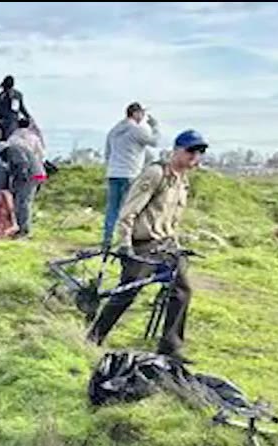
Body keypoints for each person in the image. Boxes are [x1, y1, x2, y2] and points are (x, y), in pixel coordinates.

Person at [88, 130, 208, 362]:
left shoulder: (182, 181)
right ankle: (94, 337)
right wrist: (124, 245)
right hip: (142, 244)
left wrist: (176, 243)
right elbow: (128, 212)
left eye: (200, 152)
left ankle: (170, 348)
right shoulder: (156, 174)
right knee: (127, 292)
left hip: (166, 244)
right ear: (177, 150)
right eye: (191, 150)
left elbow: (171, 219)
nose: (196, 156)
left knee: (182, 291)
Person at [103, 102, 161, 246]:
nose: (143, 116)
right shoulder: (136, 130)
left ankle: (107, 238)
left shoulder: (114, 131)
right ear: (135, 113)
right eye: (141, 113)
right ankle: (125, 240)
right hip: (130, 173)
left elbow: (107, 153)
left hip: (113, 173)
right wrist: (155, 126)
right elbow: (155, 142)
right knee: (129, 209)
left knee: (112, 208)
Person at [1, 142, 40, 237]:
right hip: (37, 174)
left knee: (23, 203)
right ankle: (20, 227)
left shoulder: (12, 150)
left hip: (31, 176)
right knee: (20, 202)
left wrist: (20, 178)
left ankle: (24, 231)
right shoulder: (18, 148)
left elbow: (22, 163)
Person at [0, 75, 31, 140]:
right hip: (1, 123)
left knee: (8, 137)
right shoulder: (0, 96)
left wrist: (28, 117)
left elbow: (20, 108)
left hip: (12, 123)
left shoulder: (16, 96)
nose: (5, 89)